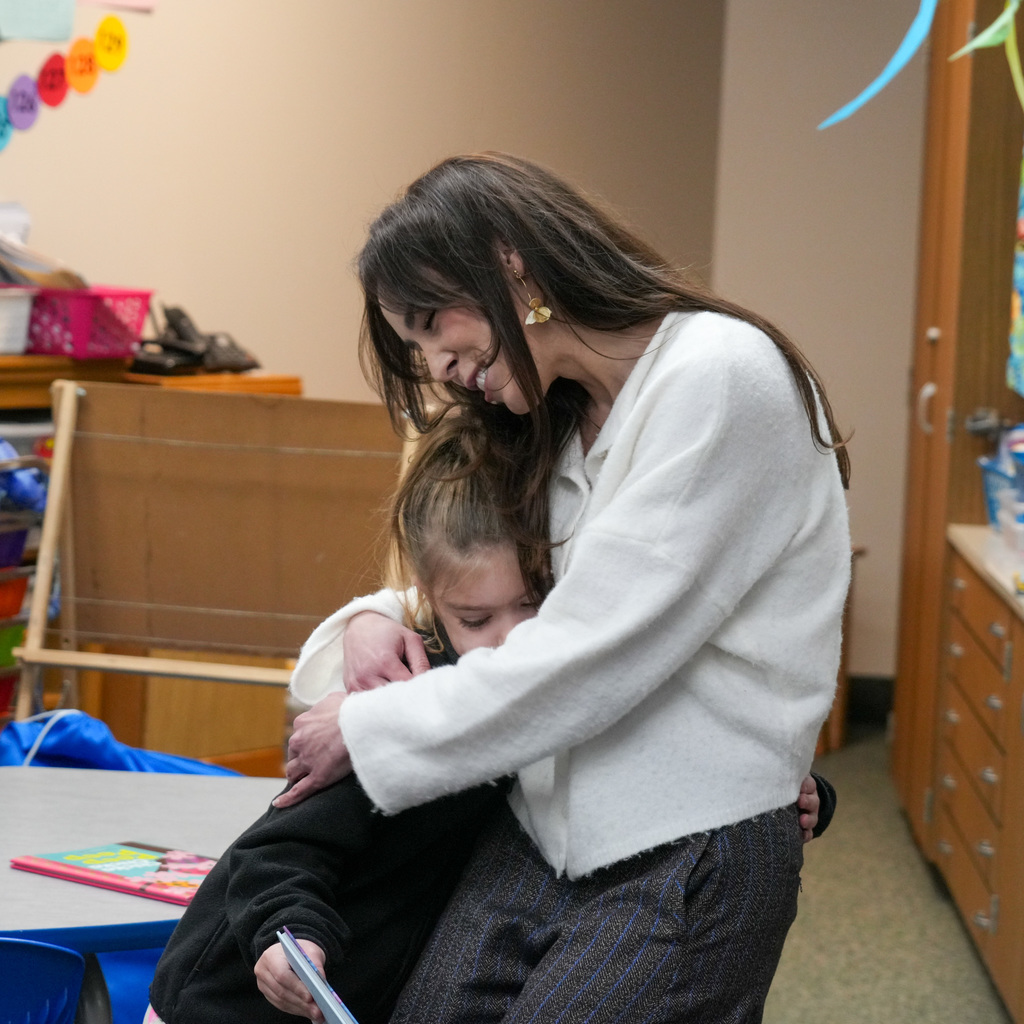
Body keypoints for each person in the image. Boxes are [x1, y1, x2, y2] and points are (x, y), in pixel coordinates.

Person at [279, 152, 851, 1023]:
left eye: (433, 324)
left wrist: (367, 727)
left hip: (685, 841)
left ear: (510, 262)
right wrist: (375, 617)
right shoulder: (550, 413)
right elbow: (495, 585)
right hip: (536, 826)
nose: (438, 363)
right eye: (417, 346)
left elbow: (593, 646)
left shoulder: (720, 375)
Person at [146, 419, 549, 1024]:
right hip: (227, 1003)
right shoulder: (403, 698)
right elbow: (277, 849)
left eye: (531, 604)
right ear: (428, 599)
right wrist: (290, 934)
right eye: (475, 619)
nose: (508, 639)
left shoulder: (534, 692)